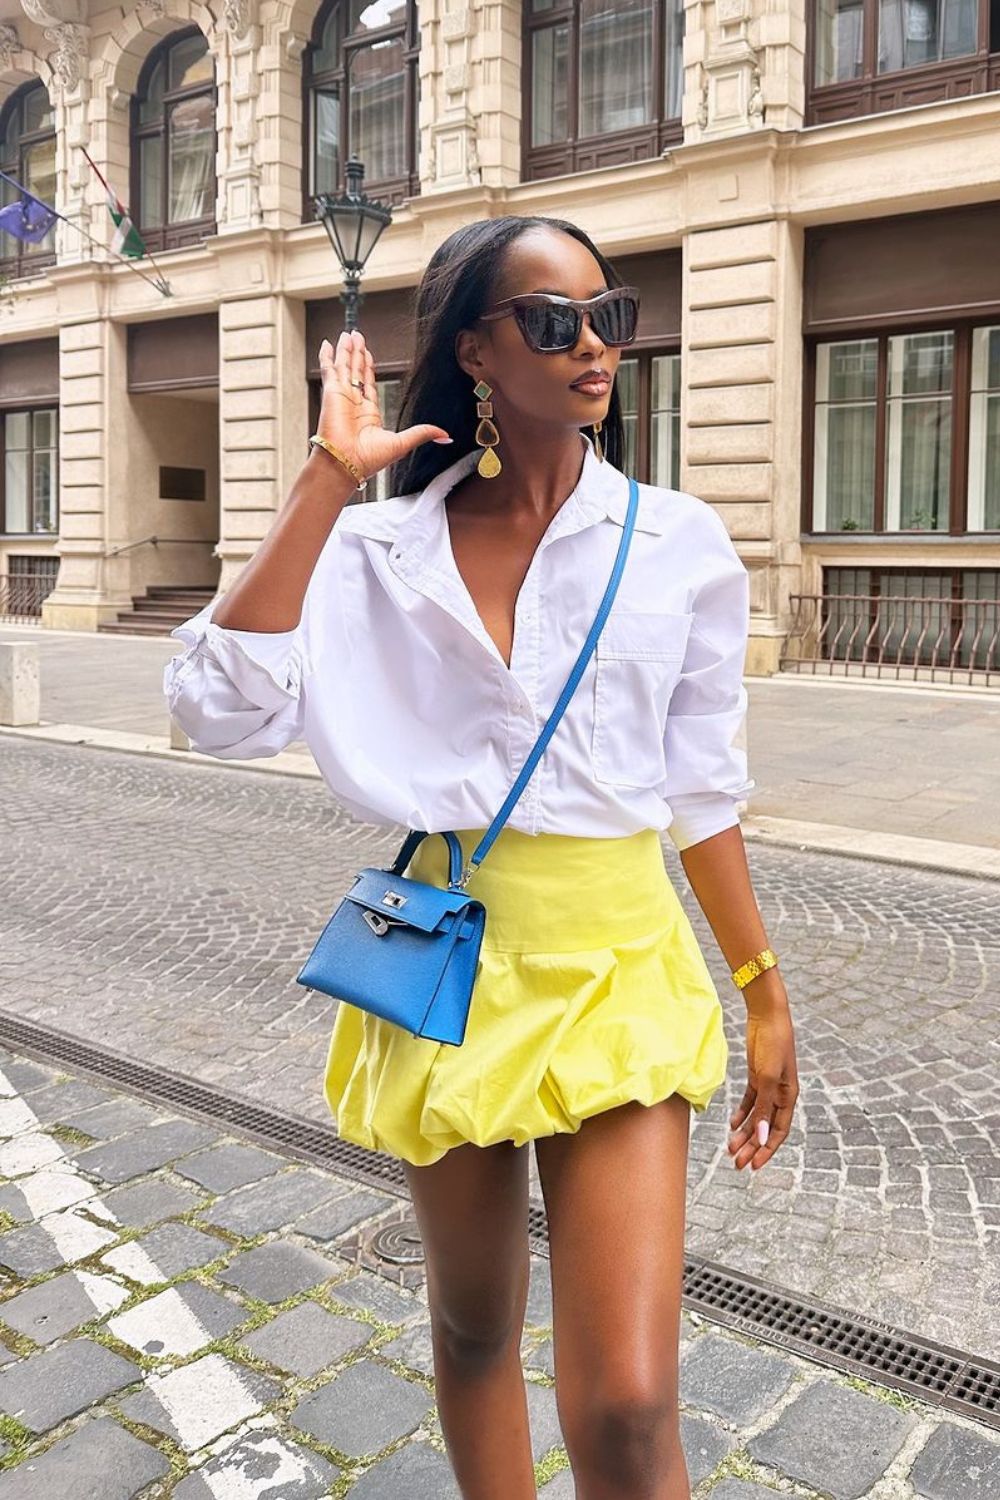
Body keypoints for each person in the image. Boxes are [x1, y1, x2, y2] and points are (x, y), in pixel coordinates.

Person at [164, 214, 800, 1500]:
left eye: (606, 317)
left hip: (617, 961)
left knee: (625, 1399)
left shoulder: (679, 545)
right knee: (469, 1331)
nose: (592, 348)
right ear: (475, 351)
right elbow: (212, 709)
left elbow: (703, 789)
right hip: (443, 967)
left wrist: (762, 987)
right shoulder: (374, 552)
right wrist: (326, 483)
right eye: (552, 322)